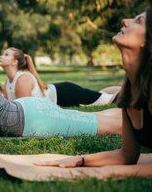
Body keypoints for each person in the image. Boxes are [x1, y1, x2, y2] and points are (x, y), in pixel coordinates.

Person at [35, 9, 152, 178]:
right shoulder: (129, 89)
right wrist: (80, 160)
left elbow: (126, 164)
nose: (125, 21)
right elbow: (127, 155)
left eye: (138, 21)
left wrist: (112, 171)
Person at [0, 47, 121, 107]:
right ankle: (120, 88)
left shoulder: (22, 79)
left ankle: (127, 90)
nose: (1, 56)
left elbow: (22, 110)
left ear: (14, 62)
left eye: (6, 55)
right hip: (60, 90)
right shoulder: (9, 81)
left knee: (108, 100)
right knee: (99, 95)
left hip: (65, 93)